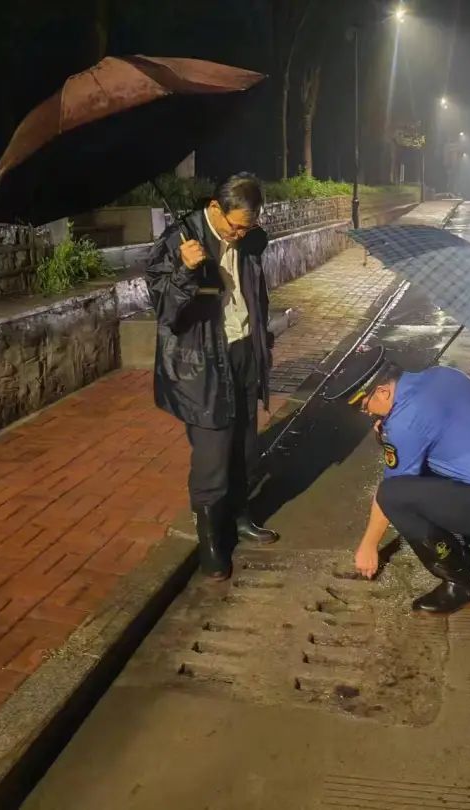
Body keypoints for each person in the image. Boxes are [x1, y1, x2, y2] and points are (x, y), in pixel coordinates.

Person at [329, 347, 470, 614]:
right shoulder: (443, 375)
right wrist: (389, 432)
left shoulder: (406, 421)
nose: (366, 413)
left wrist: (368, 546)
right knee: (430, 462)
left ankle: (463, 585)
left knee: (393, 495)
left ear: (383, 391)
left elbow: (393, 491)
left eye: (365, 406)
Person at [145, 173, 279, 580]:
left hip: (242, 352)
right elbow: (165, 310)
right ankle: (210, 542)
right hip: (200, 363)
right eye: (235, 225)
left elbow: (255, 293)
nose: (239, 234)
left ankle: (239, 516)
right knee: (211, 457)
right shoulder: (179, 241)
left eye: (248, 227)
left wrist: (262, 345)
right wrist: (186, 272)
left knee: (243, 445)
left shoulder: (247, 239)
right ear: (215, 208)